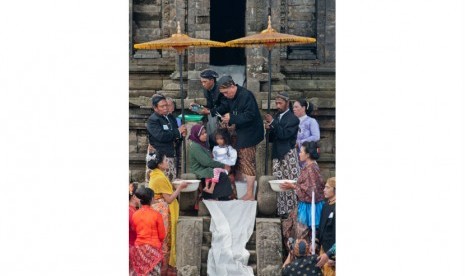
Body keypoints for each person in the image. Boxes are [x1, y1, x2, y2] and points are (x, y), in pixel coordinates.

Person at [216, 75, 264, 201]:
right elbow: (226, 108)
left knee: (247, 161)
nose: (225, 95)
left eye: (226, 92)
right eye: (223, 93)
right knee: (237, 162)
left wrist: (231, 118)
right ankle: (236, 192)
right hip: (238, 133)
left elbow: (250, 115)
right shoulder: (230, 97)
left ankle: (250, 193)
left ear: (233, 86)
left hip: (250, 133)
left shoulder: (246, 95)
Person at [147, 150, 188, 274]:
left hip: (158, 210)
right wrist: (180, 188)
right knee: (165, 244)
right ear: (159, 164)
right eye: (165, 160)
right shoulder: (159, 177)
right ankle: (164, 270)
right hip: (163, 212)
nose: (167, 162)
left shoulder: (155, 174)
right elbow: (169, 199)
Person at [280, 141, 325, 243]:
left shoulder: (311, 169)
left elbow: (312, 190)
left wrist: (293, 186)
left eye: (301, 152)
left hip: (309, 208)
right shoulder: (310, 166)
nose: (299, 154)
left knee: (303, 237)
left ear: (308, 154)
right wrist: (294, 186)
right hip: (307, 206)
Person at [264, 92, 301, 217]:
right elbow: (273, 137)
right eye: (276, 103)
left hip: (288, 153)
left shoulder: (293, 119)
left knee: (290, 182)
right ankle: (283, 211)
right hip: (276, 153)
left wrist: (273, 123)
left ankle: (294, 212)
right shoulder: (277, 116)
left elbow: (285, 135)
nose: (278, 106)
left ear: (287, 103)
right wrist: (269, 129)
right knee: (279, 184)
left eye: (280, 103)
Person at [146, 94, 187, 181]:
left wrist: (181, 134)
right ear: (155, 108)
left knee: (170, 181)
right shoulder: (153, 120)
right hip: (159, 157)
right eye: (162, 106)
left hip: (171, 153)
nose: (165, 108)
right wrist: (178, 132)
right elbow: (161, 136)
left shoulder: (170, 117)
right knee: (159, 182)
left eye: (166, 105)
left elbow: (175, 133)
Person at [188, 124, 233, 201]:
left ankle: (223, 197)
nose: (205, 135)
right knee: (221, 175)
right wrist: (223, 165)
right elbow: (206, 162)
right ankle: (212, 196)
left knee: (222, 174)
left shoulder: (201, 144)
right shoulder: (195, 146)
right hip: (199, 171)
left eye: (205, 132)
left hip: (205, 168)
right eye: (202, 134)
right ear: (196, 135)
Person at [129, 186, 166, 276]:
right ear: (152, 199)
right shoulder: (157, 215)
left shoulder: (135, 214)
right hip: (153, 249)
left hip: (139, 249)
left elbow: (134, 229)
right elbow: (162, 236)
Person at [189, 69, 225, 149]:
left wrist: (209, 111)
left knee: (222, 139)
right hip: (214, 116)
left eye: (205, 82)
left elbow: (224, 107)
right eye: (201, 82)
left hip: (224, 117)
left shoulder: (221, 89)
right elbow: (210, 106)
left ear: (212, 80)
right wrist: (198, 107)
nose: (203, 84)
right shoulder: (206, 90)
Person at [205, 128, 238, 195]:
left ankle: (212, 188)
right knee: (208, 170)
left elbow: (233, 161)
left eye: (221, 139)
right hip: (216, 166)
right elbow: (214, 158)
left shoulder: (229, 149)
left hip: (225, 168)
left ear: (225, 138)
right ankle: (206, 187)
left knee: (216, 170)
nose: (219, 141)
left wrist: (224, 164)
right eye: (217, 139)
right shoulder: (215, 148)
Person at [316, 177, 336, 276]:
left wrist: (333, 257)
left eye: (327, 187)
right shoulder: (325, 205)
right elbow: (321, 226)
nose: (324, 190)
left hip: (332, 253)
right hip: (323, 249)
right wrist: (316, 242)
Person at [129, 182, 140, 248]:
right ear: (134, 196)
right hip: (132, 244)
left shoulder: (132, 210)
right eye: (140, 196)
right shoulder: (132, 212)